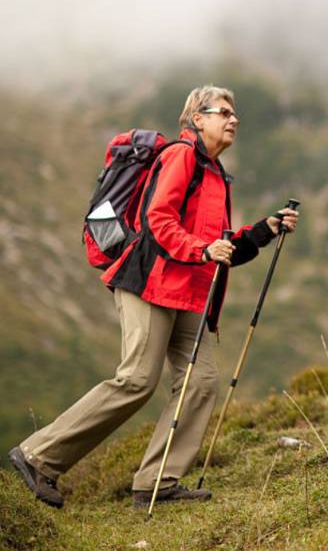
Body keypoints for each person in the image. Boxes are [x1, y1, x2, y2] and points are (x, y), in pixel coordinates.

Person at [9, 85, 300, 509]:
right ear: (197, 119)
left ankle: (157, 484)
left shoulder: (217, 175)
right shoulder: (182, 156)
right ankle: (38, 456)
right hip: (150, 283)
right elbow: (158, 219)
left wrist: (265, 229)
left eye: (235, 114)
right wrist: (201, 250)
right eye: (224, 112)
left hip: (191, 295)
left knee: (200, 383)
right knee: (137, 380)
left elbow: (221, 247)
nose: (234, 119)